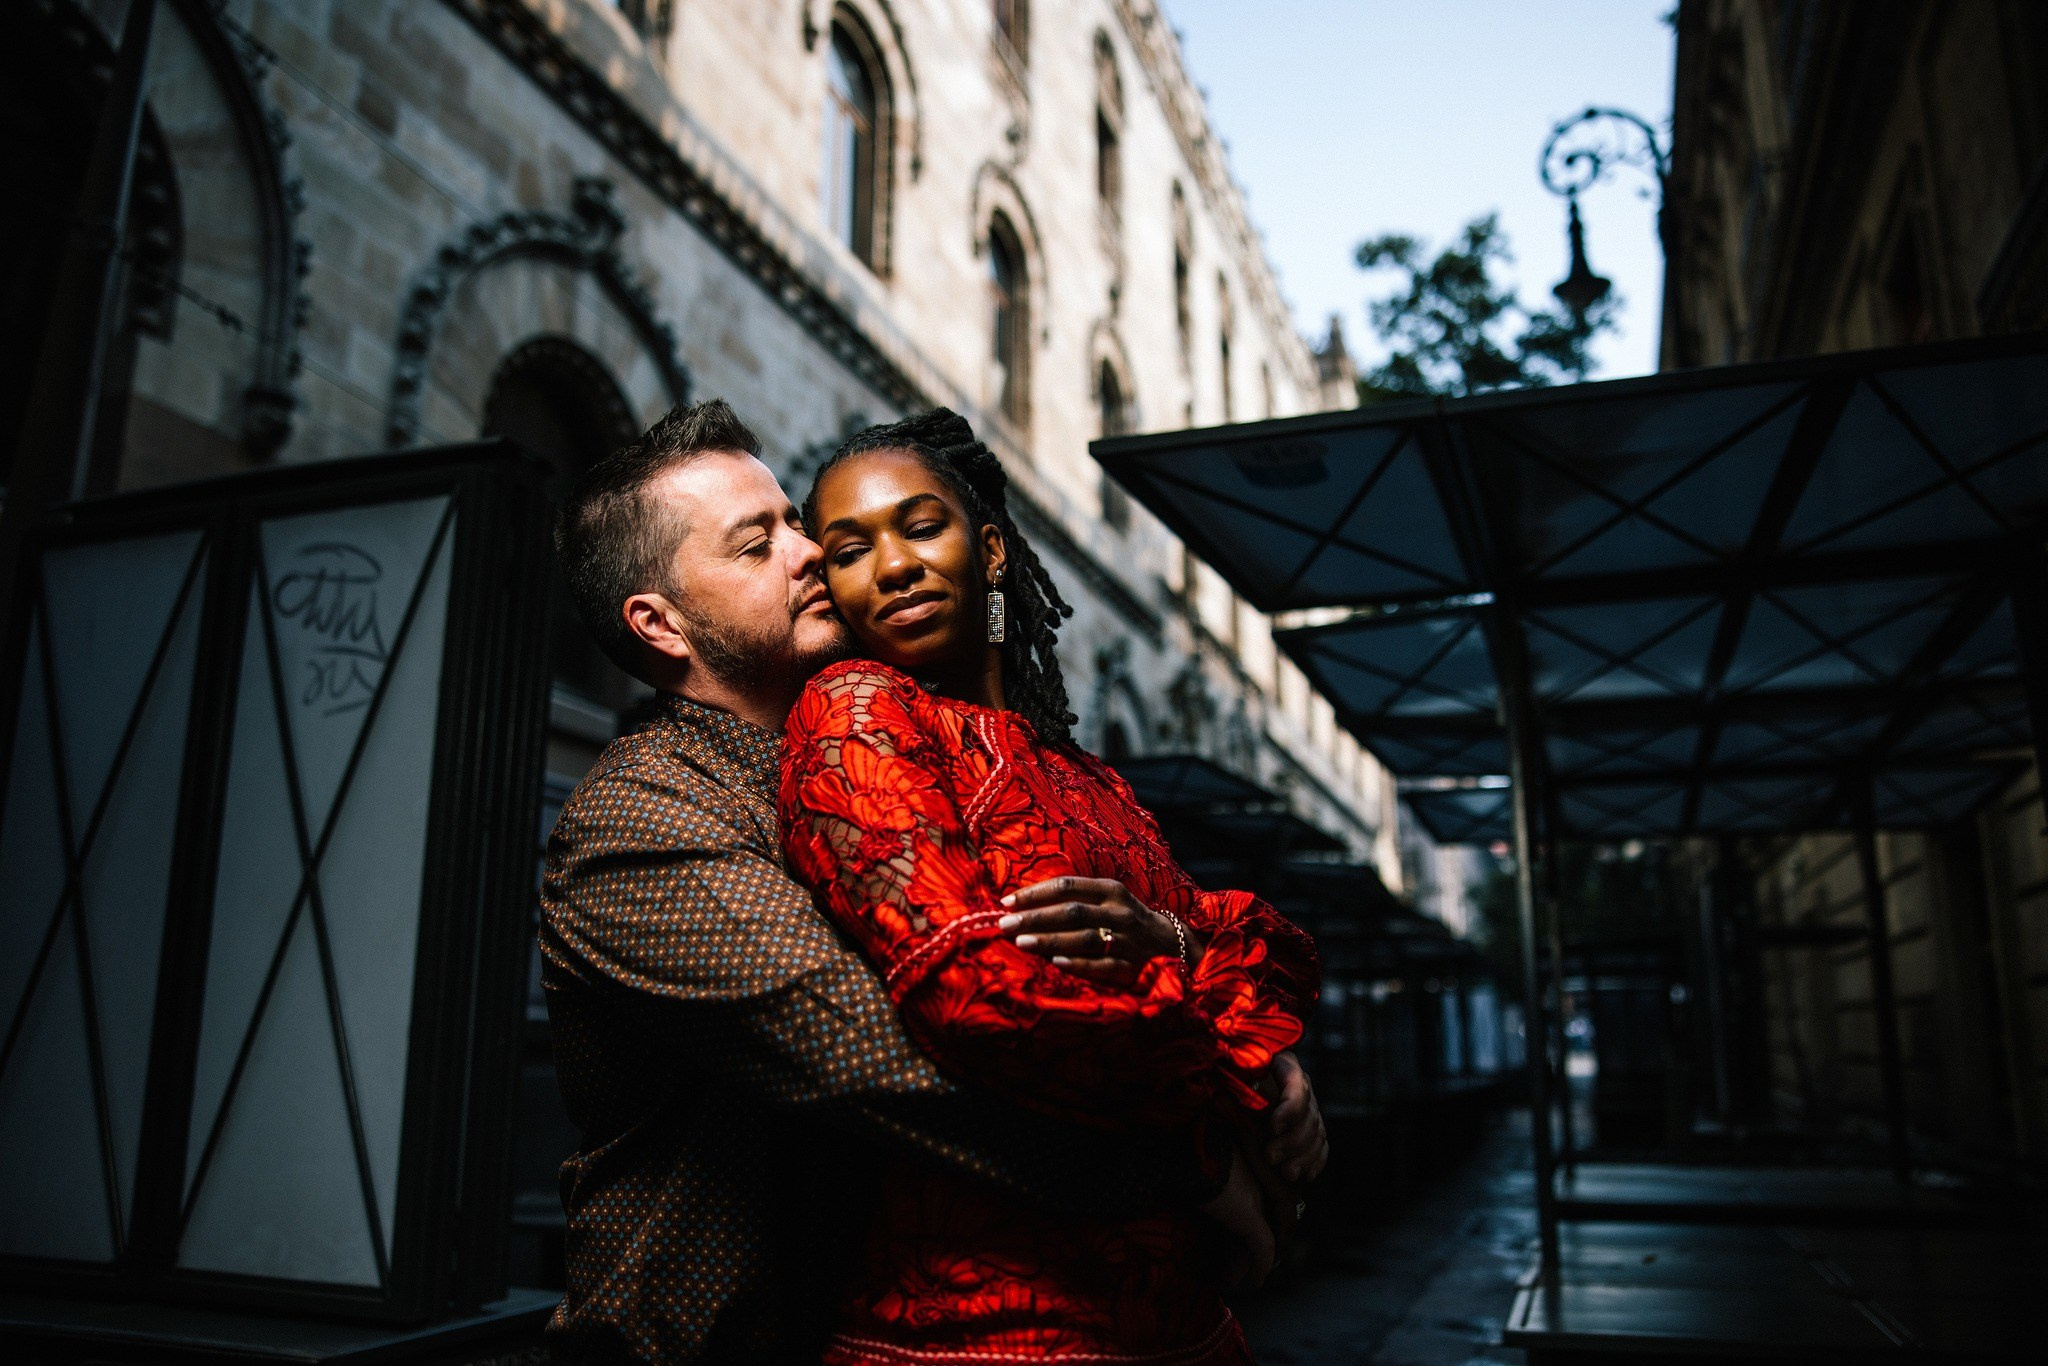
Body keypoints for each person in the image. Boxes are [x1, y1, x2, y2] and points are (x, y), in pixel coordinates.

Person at [540, 400, 1325, 1365]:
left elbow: (1142, 943)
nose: (810, 554)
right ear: (661, 624)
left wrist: (1262, 1059)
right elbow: (901, 1071)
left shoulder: (895, 748)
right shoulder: (644, 818)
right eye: (758, 545)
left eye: (795, 522)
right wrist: (1203, 1165)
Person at [779, 408, 1325, 1366]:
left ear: (990, 552)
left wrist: (1262, 1055)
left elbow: (1263, 952)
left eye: (920, 525)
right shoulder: (858, 711)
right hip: (989, 1328)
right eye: (849, 549)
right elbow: (978, 999)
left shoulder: (1093, 779)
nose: (894, 566)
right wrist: (1221, 1139)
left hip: (1192, 1325)